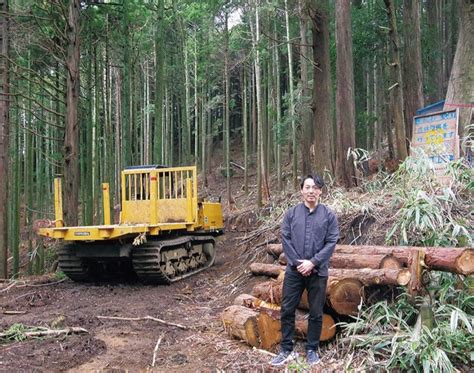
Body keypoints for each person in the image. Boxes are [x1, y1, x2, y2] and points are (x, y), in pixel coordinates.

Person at [270, 174, 339, 367]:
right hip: (294, 271)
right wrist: (299, 263)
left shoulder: (328, 215)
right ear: (301, 190)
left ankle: (311, 349)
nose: (311, 191)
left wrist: (313, 263)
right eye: (307, 187)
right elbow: (286, 239)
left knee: (316, 312)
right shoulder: (292, 214)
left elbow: (332, 241)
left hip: (318, 272)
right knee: (287, 309)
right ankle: (286, 349)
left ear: (320, 191)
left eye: (315, 187)